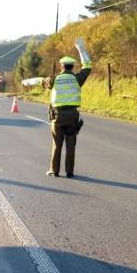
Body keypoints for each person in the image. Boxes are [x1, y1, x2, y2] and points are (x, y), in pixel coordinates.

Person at [44, 38, 92, 178]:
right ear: (73, 66)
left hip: (57, 116)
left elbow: (40, 81)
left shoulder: (54, 79)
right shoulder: (78, 78)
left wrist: (26, 82)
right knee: (71, 144)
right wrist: (81, 49)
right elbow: (88, 66)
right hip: (72, 115)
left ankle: (54, 170)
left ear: (62, 66)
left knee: (56, 144)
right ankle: (70, 172)